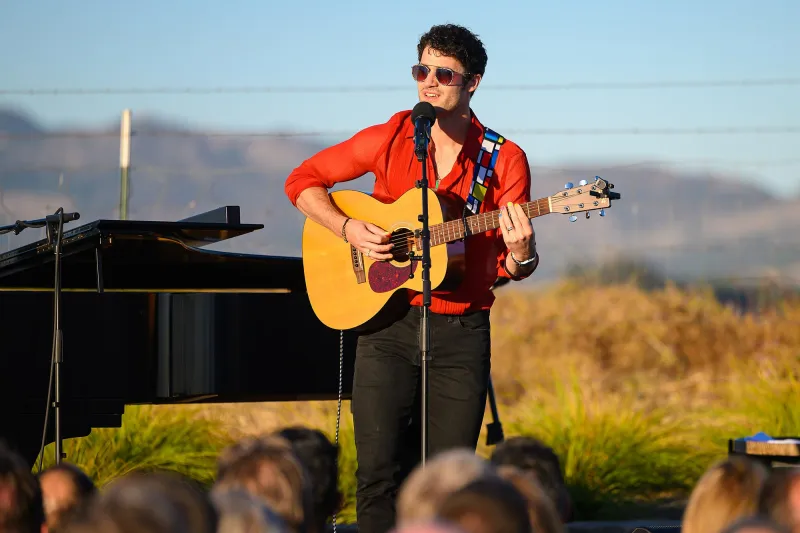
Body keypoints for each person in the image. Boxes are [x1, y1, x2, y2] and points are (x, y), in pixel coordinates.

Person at [284, 23, 539, 533]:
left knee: (451, 481)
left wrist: (523, 254)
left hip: (461, 332)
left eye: (444, 74)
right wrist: (348, 227)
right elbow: (302, 181)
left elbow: (507, 271)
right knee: (378, 474)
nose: (429, 82)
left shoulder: (503, 159)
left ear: (473, 83)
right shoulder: (394, 135)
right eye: (422, 70)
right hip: (386, 324)